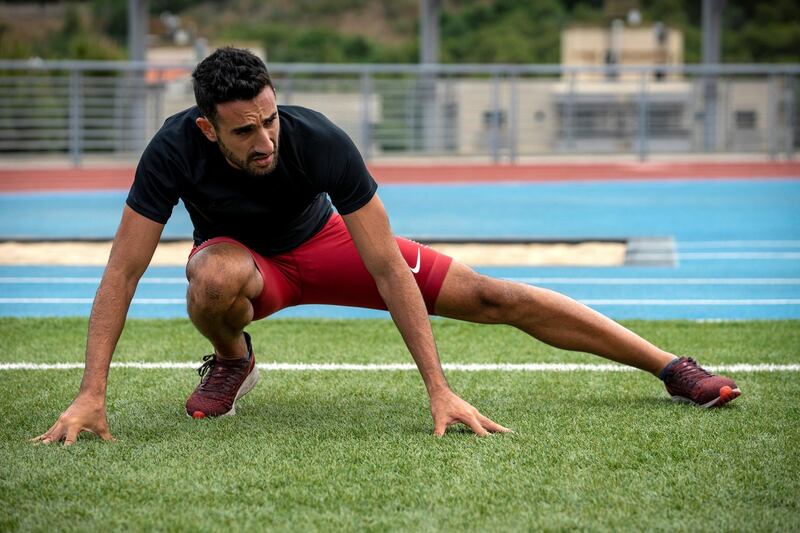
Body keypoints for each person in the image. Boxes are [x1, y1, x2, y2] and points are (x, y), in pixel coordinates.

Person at [34, 47, 740, 446]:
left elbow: (385, 267)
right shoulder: (170, 151)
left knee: (496, 295)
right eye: (244, 131)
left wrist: (439, 388)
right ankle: (231, 363)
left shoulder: (319, 142)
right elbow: (122, 271)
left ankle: (671, 368)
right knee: (209, 278)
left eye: (269, 120)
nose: (265, 140)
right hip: (245, 264)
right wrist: (92, 392)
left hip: (328, 243)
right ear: (207, 129)